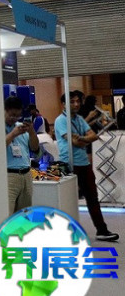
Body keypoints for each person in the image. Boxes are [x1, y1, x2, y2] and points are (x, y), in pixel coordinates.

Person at [54, 91, 119, 241]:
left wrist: (81, 138)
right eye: (72, 102)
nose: (76, 104)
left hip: (84, 163)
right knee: (68, 199)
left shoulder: (79, 119)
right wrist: (83, 139)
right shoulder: (61, 121)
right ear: (64, 104)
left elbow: (93, 136)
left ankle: (102, 230)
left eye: (78, 101)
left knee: (92, 197)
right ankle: (66, 233)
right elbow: (74, 142)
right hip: (69, 164)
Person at [4, 97, 38, 215]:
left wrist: (32, 131)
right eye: (12, 115)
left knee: (25, 215)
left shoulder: (21, 127)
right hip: (9, 176)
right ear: (4, 110)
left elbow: (35, 147)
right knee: (7, 214)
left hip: (26, 174)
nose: (15, 119)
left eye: (18, 116)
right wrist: (13, 134)